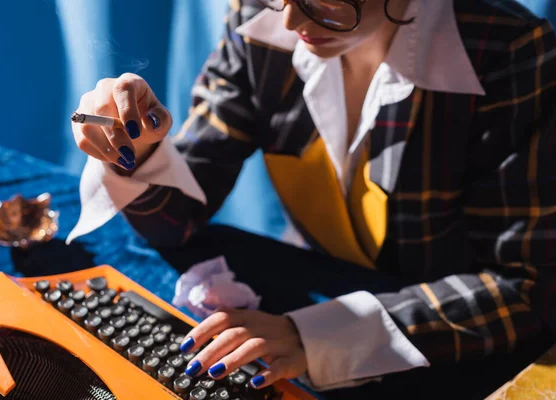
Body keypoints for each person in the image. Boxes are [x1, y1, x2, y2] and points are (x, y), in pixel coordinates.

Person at [67, 0, 556, 395]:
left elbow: (530, 288)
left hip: (450, 340)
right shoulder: (260, 16)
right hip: (317, 280)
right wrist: (138, 153)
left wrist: (319, 337)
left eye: (323, 0)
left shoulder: (510, 52)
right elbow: (176, 221)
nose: (289, 21)